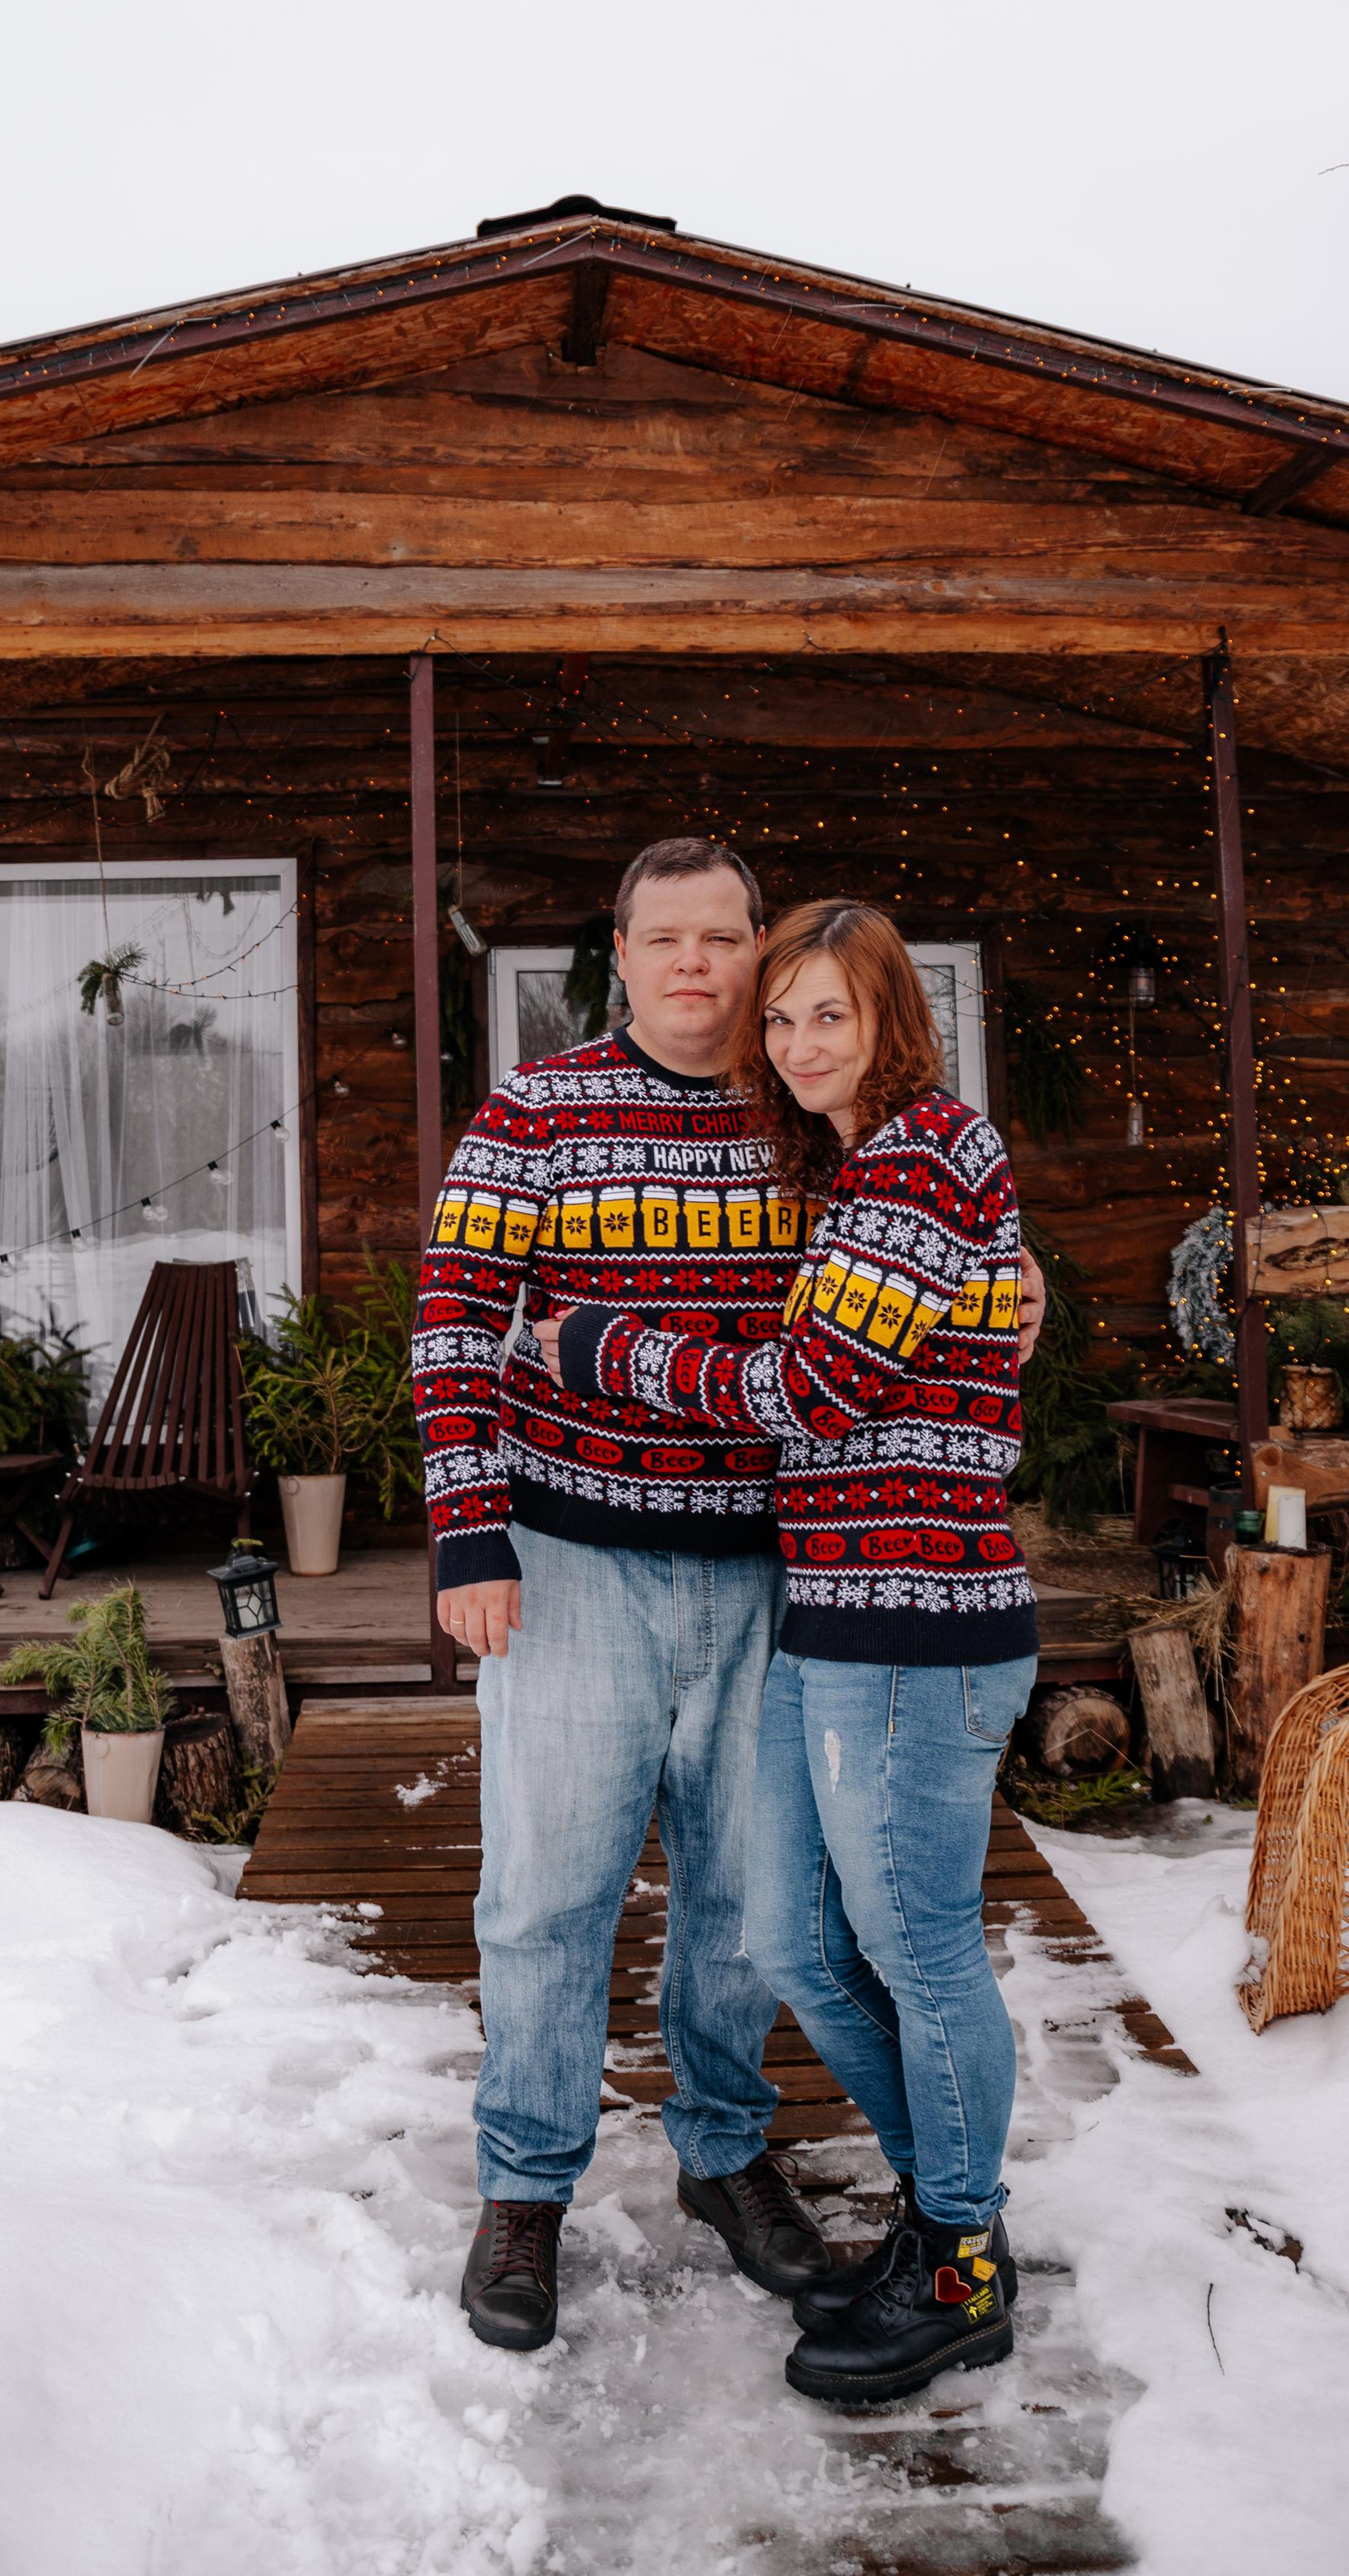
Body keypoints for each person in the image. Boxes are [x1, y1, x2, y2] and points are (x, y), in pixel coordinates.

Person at [411, 840, 1043, 2358]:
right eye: (662, 938)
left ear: (762, 956)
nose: (695, 964)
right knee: (546, 1894)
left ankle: (722, 2149)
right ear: (618, 956)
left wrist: (1025, 1282)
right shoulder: (538, 1111)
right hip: (572, 1561)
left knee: (746, 1908)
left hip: (783, 1573)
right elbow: (454, 1315)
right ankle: (527, 2184)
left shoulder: (814, 1122)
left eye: (723, 940)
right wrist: (467, 1532)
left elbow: (944, 1256)